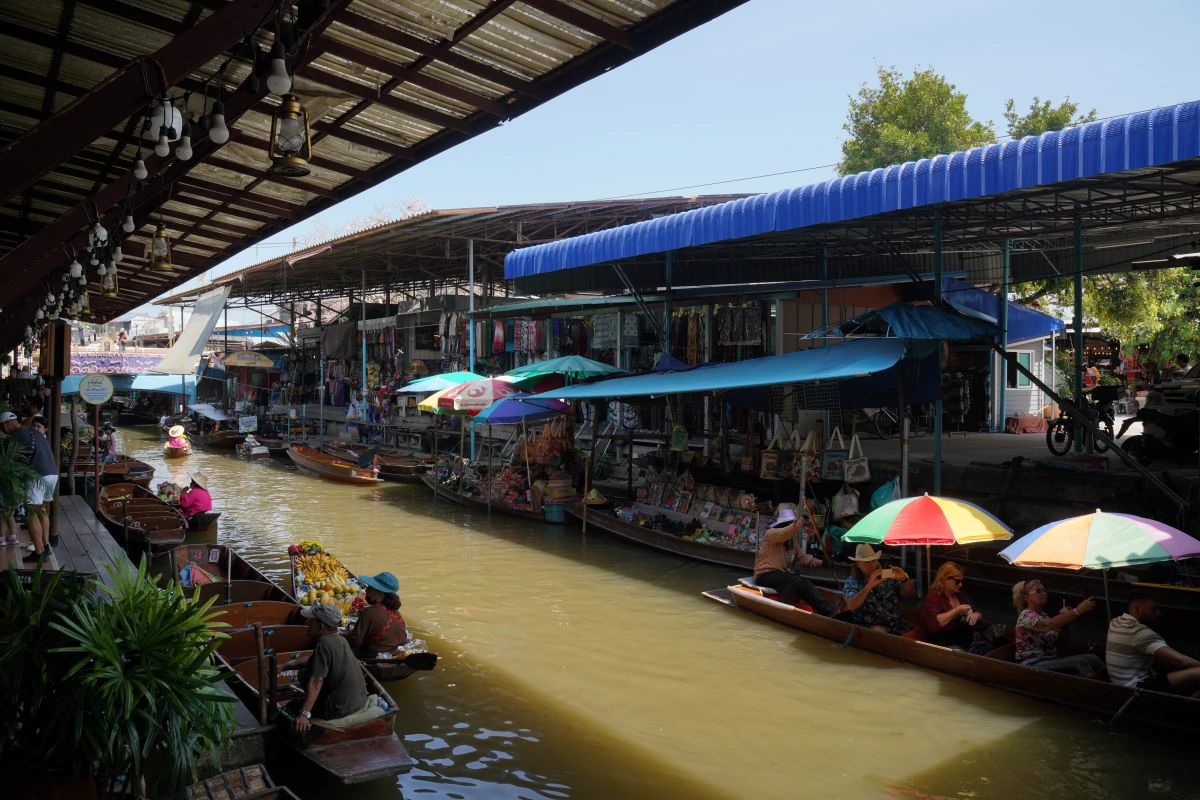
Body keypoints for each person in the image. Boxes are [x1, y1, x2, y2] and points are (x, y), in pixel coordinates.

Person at [283, 603, 369, 733]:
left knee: (292, 706)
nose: (308, 622)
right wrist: (284, 666)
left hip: (339, 710)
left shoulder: (323, 643)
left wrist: (304, 714)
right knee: (306, 670)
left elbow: (317, 680)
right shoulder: (341, 640)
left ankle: (311, 712)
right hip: (358, 702)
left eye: (311, 620)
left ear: (320, 626)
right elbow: (312, 661)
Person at [1107, 590, 1200, 695]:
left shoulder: (1116, 621)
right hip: (1135, 689)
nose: (1158, 613)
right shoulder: (1139, 632)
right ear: (1137, 608)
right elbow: (1183, 661)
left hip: (1120, 683)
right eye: (1153, 609)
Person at [752, 505, 838, 616]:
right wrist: (802, 519)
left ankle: (827, 610)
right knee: (794, 580)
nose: (792, 527)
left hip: (780, 575)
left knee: (804, 582)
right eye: (790, 524)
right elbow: (787, 532)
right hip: (764, 574)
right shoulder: (772, 534)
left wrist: (822, 563)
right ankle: (782, 611)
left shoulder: (792, 541)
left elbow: (802, 558)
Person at [1011, 580, 1105, 676]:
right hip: (1031, 663)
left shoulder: (1044, 615)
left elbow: (1063, 641)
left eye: (1044, 590)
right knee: (1081, 663)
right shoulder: (1026, 616)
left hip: (1051, 659)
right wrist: (1078, 610)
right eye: (1038, 591)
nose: (1044, 593)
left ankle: (1113, 683)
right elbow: (1048, 625)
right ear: (1027, 598)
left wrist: (1064, 623)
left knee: (1093, 658)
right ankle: (1098, 689)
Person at [1, 411, 57, 562]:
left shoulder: (16, 436)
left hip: (37, 475)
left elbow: (8, 462)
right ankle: (45, 546)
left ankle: (39, 553)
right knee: (42, 510)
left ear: (5, 427)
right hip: (52, 473)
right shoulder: (34, 432)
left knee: (31, 513)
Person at [842, 543, 915, 635]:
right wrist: (869, 585)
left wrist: (904, 579)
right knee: (877, 631)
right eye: (867, 562)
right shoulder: (852, 582)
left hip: (896, 625)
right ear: (858, 564)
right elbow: (851, 606)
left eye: (873, 561)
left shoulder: (887, 577)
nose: (872, 565)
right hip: (869, 629)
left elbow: (911, 595)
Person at [920, 562, 993, 653]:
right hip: (945, 643)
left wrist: (976, 616)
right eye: (957, 581)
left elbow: (977, 612)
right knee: (959, 652)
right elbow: (935, 623)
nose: (960, 585)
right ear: (944, 580)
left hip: (966, 639)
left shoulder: (960, 595)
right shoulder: (933, 598)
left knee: (992, 637)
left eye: (962, 581)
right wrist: (957, 611)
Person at [343, 571, 410, 658]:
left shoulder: (368, 612)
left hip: (374, 658)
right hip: (396, 654)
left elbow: (355, 641)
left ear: (379, 594)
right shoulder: (395, 611)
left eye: (370, 588)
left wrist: (340, 635)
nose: (366, 590)